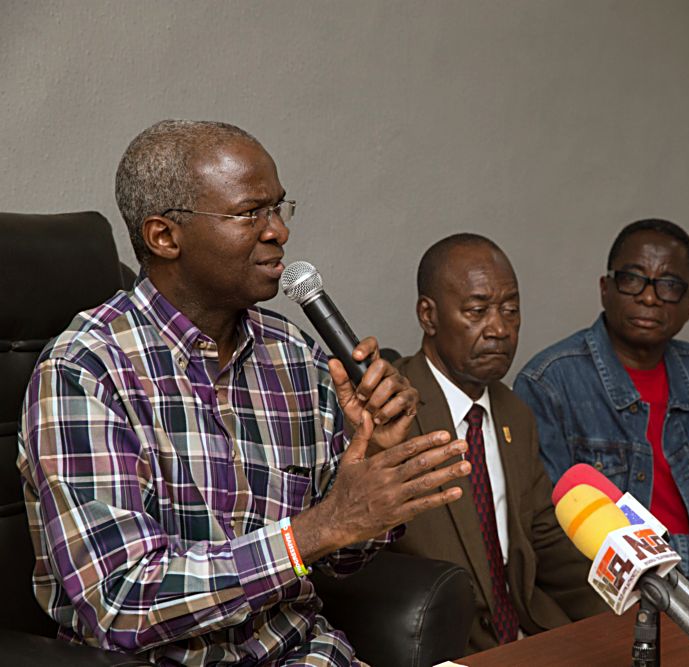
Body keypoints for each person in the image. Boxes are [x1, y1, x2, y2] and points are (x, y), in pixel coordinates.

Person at [17, 120, 471, 665]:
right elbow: (120, 601)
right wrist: (315, 530)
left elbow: (341, 558)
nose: (278, 231)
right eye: (250, 212)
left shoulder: (295, 354)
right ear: (165, 236)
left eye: (279, 208)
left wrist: (371, 467)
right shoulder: (85, 369)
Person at [514, 219, 689, 585]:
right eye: (633, 280)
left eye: (669, 286)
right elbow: (554, 528)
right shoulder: (549, 383)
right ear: (605, 289)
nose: (649, 297)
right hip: (608, 594)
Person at [390, 233, 606, 653]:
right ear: (428, 316)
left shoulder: (514, 413)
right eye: (477, 311)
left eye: (511, 310)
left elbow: (543, 534)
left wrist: (630, 591)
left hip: (530, 627)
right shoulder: (393, 413)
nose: (501, 329)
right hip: (445, 644)